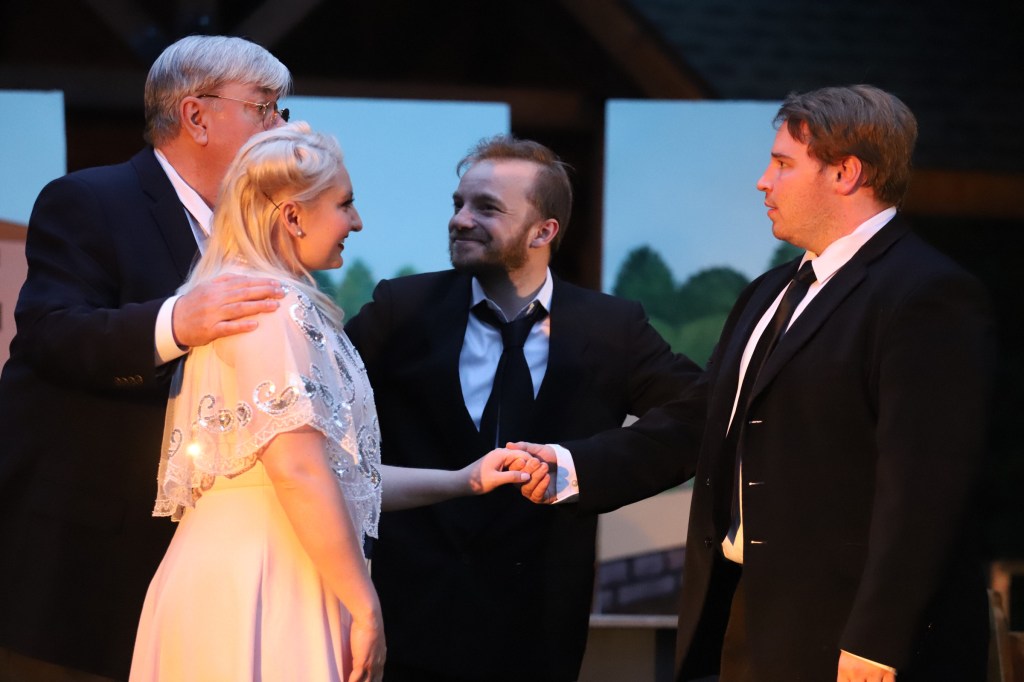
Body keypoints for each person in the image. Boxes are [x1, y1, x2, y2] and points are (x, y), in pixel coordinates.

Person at [128, 121, 533, 682]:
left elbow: (337, 475)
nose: (357, 221)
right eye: (345, 204)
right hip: (263, 579)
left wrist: (465, 479)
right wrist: (365, 604)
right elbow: (298, 471)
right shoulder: (269, 307)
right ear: (293, 216)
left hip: (267, 567)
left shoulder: (260, 299)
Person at [344, 134, 705, 681]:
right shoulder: (402, 308)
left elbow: (700, 414)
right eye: (458, 203)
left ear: (544, 231)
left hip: (539, 633)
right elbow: (318, 412)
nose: (460, 220)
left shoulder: (612, 328)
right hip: (404, 627)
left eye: (486, 207)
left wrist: (580, 467)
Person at [664, 85, 993, 681]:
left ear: (846, 173)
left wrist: (877, 642)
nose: (763, 182)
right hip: (749, 622)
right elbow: (701, 420)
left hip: (852, 644)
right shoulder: (768, 292)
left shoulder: (927, 294)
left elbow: (925, 489)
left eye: (783, 164)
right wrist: (568, 464)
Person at [0, 35, 293, 681]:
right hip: (81, 563)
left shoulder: (255, 235)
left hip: (201, 563)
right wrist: (175, 322)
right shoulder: (90, 199)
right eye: (265, 106)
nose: (279, 126)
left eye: (281, 109)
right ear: (196, 116)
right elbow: (52, 333)